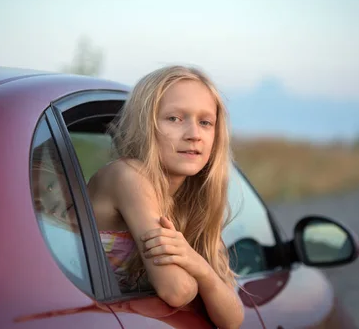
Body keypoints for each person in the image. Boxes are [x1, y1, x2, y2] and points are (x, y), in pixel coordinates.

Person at [87, 65, 245, 328]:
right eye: (174, 119)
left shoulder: (194, 204)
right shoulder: (126, 175)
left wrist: (200, 267)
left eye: (205, 122)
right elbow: (177, 290)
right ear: (145, 125)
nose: (194, 134)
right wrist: (199, 274)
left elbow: (233, 319)